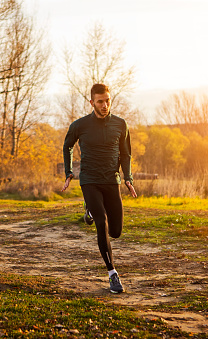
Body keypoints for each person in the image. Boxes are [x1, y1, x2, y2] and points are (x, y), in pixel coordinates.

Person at [61, 83, 137, 294]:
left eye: (107, 101)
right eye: (100, 101)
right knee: (101, 221)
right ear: (92, 102)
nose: (104, 105)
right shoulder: (80, 125)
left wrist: (128, 177)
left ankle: (89, 210)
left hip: (112, 181)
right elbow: (67, 145)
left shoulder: (121, 125)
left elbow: (126, 154)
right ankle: (112, 274)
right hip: (89, 180)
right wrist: (69, 171)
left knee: (116, 232)